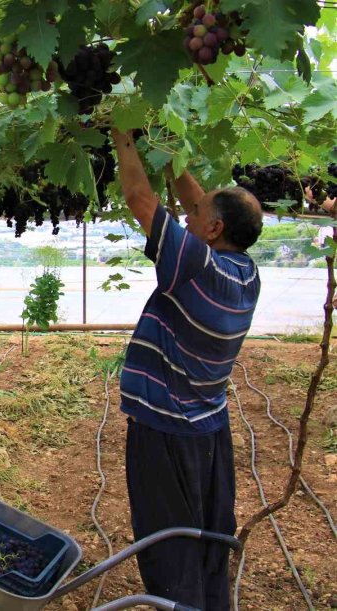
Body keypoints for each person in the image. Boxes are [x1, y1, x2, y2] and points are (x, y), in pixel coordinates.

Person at [110, 128, 264, 610]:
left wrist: (123, 135)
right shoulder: (245, 274)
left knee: (168, 545)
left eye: (196, 214)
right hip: (209, 429)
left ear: (214, 230)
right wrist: (170, 153)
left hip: (167, 432)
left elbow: (138, 196)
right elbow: (204, 203)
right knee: (208, 536)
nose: (189, 212)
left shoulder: (195, 265)